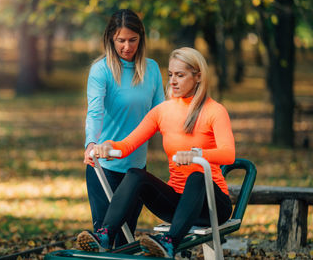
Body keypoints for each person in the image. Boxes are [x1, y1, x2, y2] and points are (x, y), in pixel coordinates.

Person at [78, 47, 235, 258]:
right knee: (135, 174)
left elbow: (228, 154)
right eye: (170, 75)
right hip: (177, 205)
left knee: (197, 176)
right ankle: (105, 235)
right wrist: (106, 146)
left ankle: (169, 242)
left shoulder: (215, 111)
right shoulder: (163, 111)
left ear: (198, 77)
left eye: (180, 75)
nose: (173, 81)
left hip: (213, 207)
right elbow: (127, 144)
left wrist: (197, 154)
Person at [83, 9, 165, 247]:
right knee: (104, 238)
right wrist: (90, 143)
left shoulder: (151, 69)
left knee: (126, 237)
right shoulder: (101, 70)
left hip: (136, 169)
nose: (127, 47)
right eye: (121, 40)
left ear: (141, 38)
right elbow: (95, 112)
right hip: (104, 165)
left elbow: (162, 113)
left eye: (132, 40)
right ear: (111, 38)